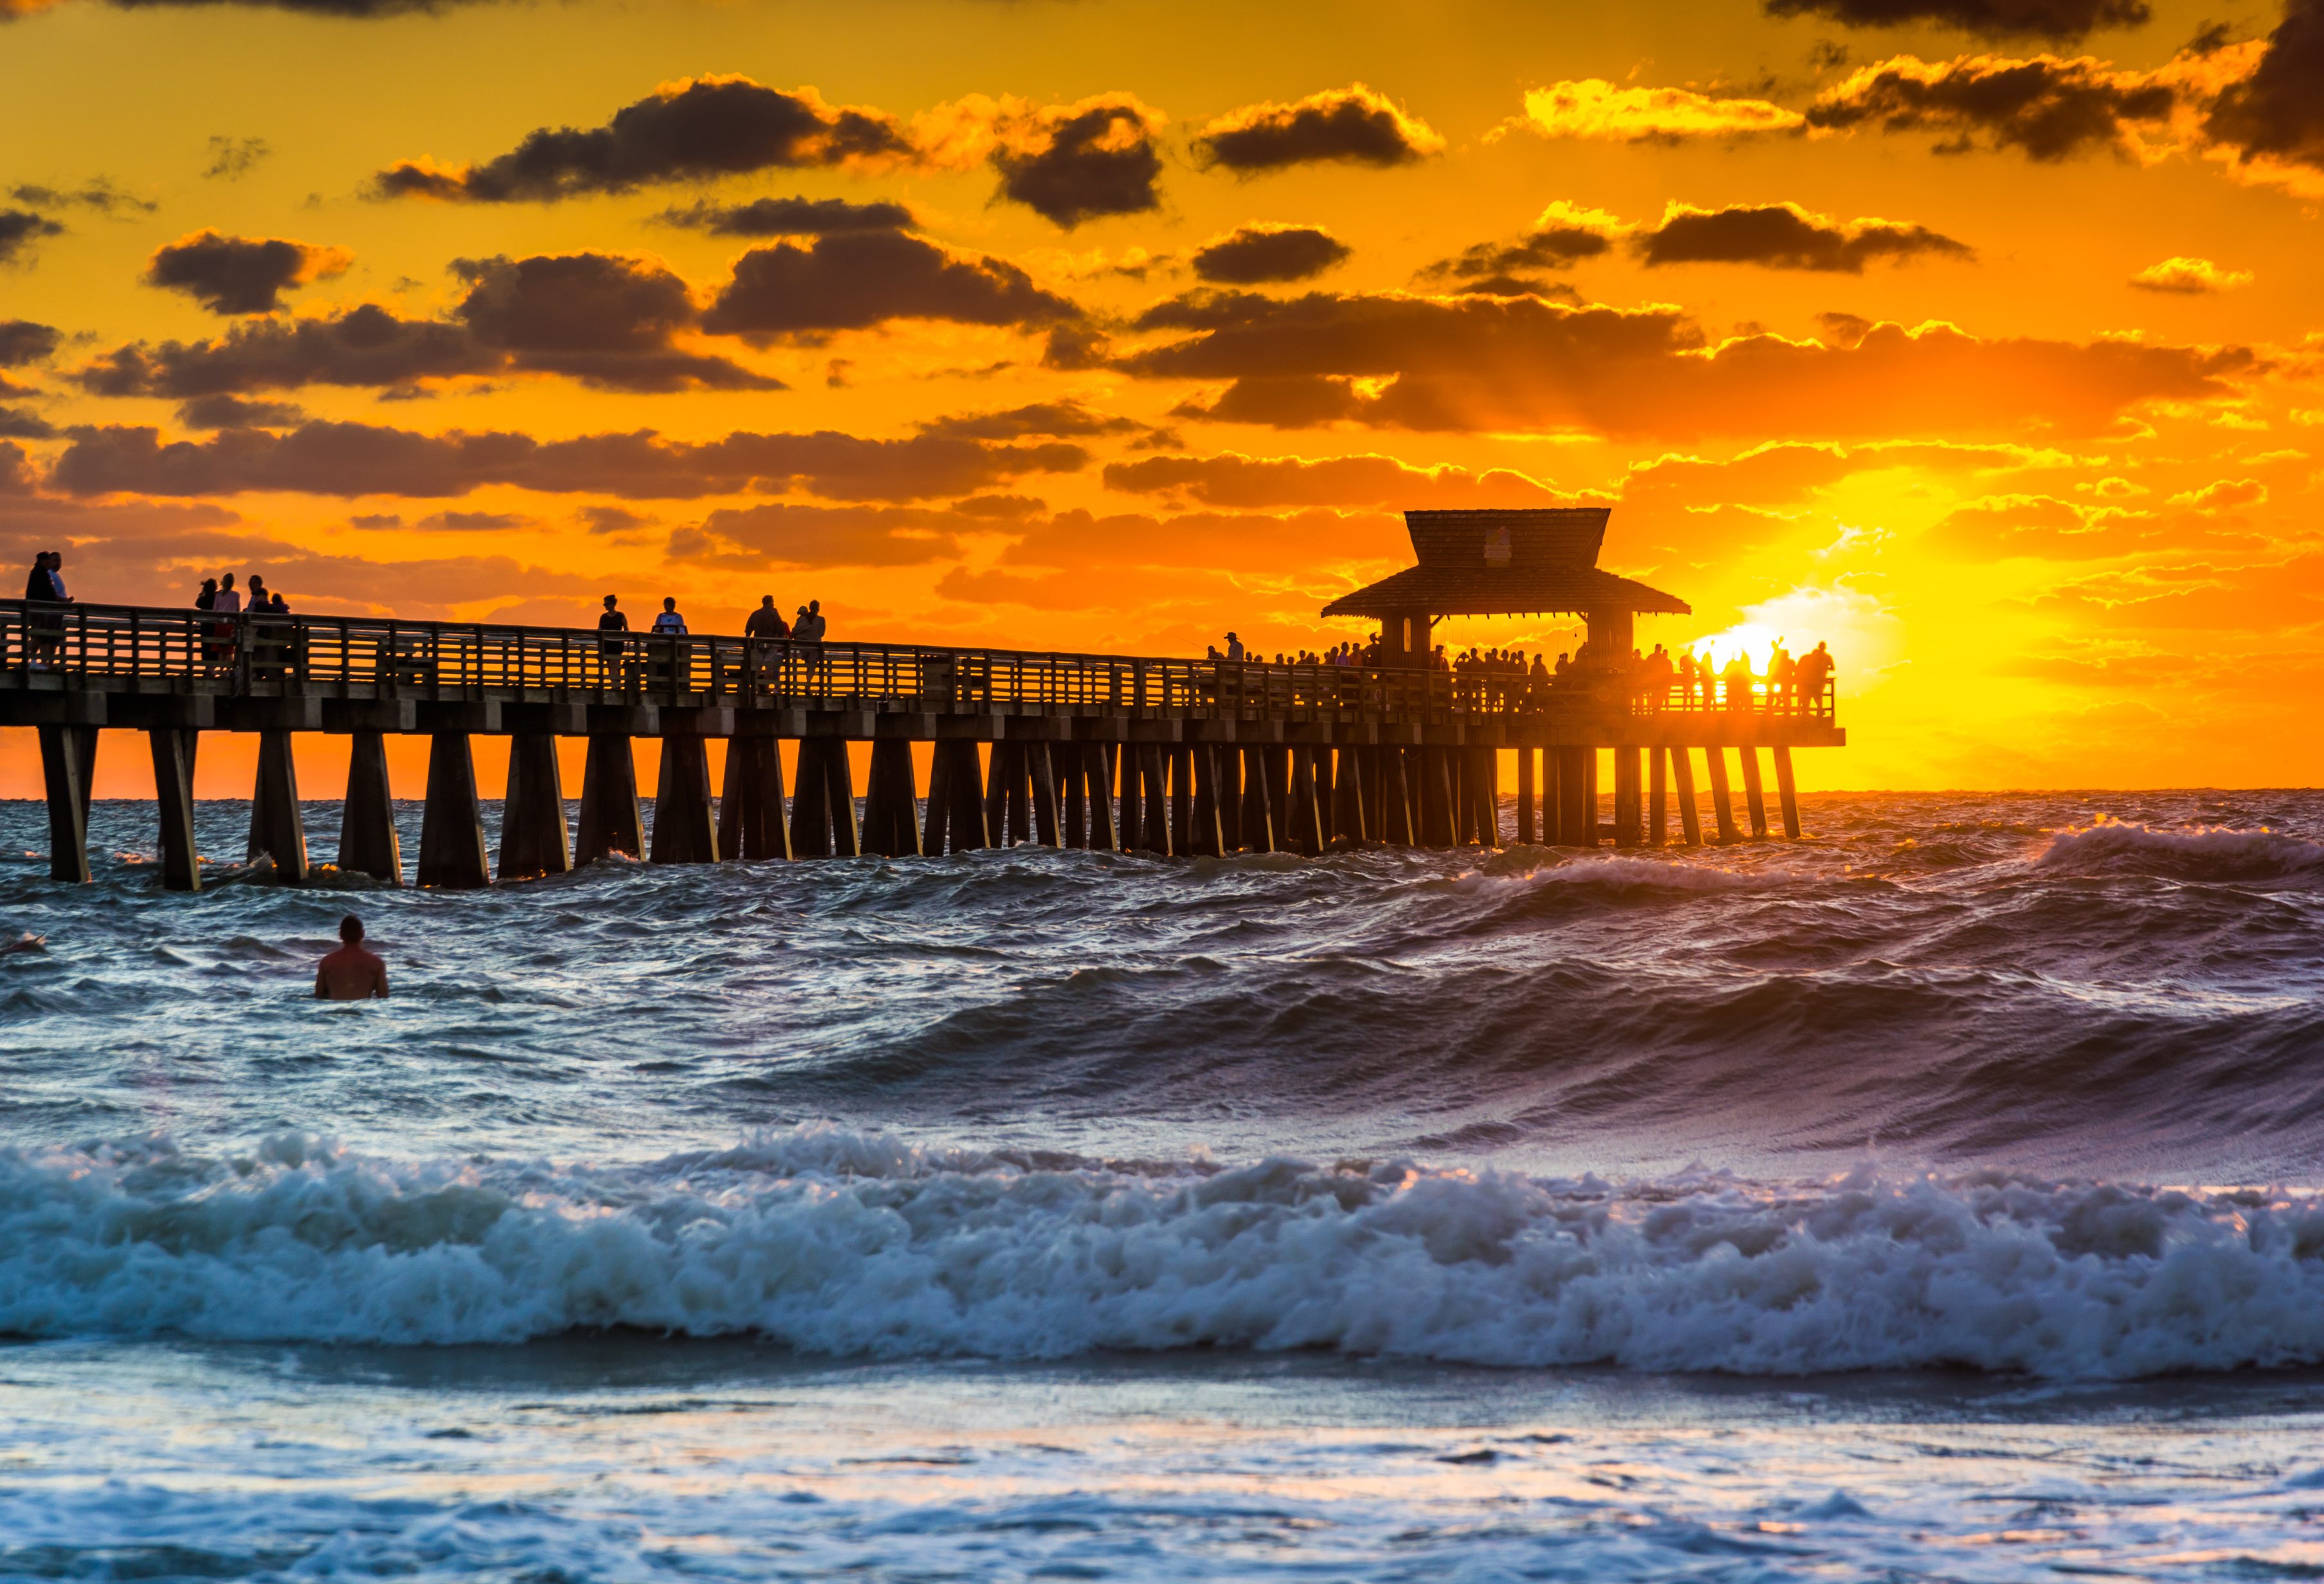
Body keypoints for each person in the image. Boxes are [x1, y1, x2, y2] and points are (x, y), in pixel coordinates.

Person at [315, 914, 389, 1001]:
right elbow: (384, 998)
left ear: (341, 935)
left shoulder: (326, 962)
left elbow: (318, 996)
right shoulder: (377, 963)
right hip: (364, 1012)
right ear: (363, 934)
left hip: (335, 1012)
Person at [744, 594, 789, 686]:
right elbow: (780, 629)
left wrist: (748, 644)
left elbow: (748, 630)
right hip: (771, 644)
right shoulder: (773, 613)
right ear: (770, 602)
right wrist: (781, 641)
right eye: (773, 602)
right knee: (769, 666)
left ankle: (754, 686)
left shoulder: (756, 614)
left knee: (758, 666)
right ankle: (766, 687)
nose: (773, 604)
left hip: (758, 644)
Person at [595, 594, 627, 684]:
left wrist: (625, 640)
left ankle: (615, 685)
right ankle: (615, 683)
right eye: (604, 604)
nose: (606, 606)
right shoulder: (603, 617)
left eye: (607, 604)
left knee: (614, 663)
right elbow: (599, 630)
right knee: (610, 665)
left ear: (613, 604)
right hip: (607, 645)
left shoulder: (620, 616)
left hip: (617, 645)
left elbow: (626, 629)